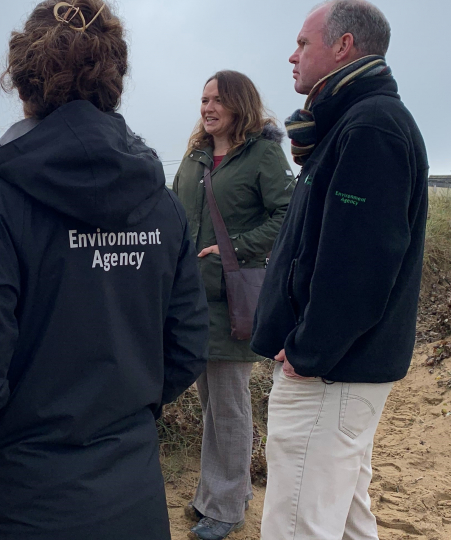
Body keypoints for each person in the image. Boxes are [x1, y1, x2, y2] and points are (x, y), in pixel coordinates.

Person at [0, 1, 211, 538]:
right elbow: (188, 343)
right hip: (132, 490)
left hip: (22, 494)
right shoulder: (161, 203)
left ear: (23, 81)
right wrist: (124, 413)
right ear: (114, 81)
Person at [251, 1, 429, 538]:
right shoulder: (351, 123)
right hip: (340, 369)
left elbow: (360, 264)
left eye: (303, 44)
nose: (292, 55)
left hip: (331, 372)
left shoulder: (371, 127)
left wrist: (310, 350)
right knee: (348, 518)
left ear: (344, 45)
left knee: (298, 525)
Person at [172, 71, 294, 540]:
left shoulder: (262, 153)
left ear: (240, 104)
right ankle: (218, 493)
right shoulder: (197, 154)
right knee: (211, 404)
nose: (208, 107)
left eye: (218, 100)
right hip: (193, 298)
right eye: (203, 99)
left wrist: (236, 248)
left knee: (228, 405)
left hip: (234, 301)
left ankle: (225, 507)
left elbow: (288, 215)